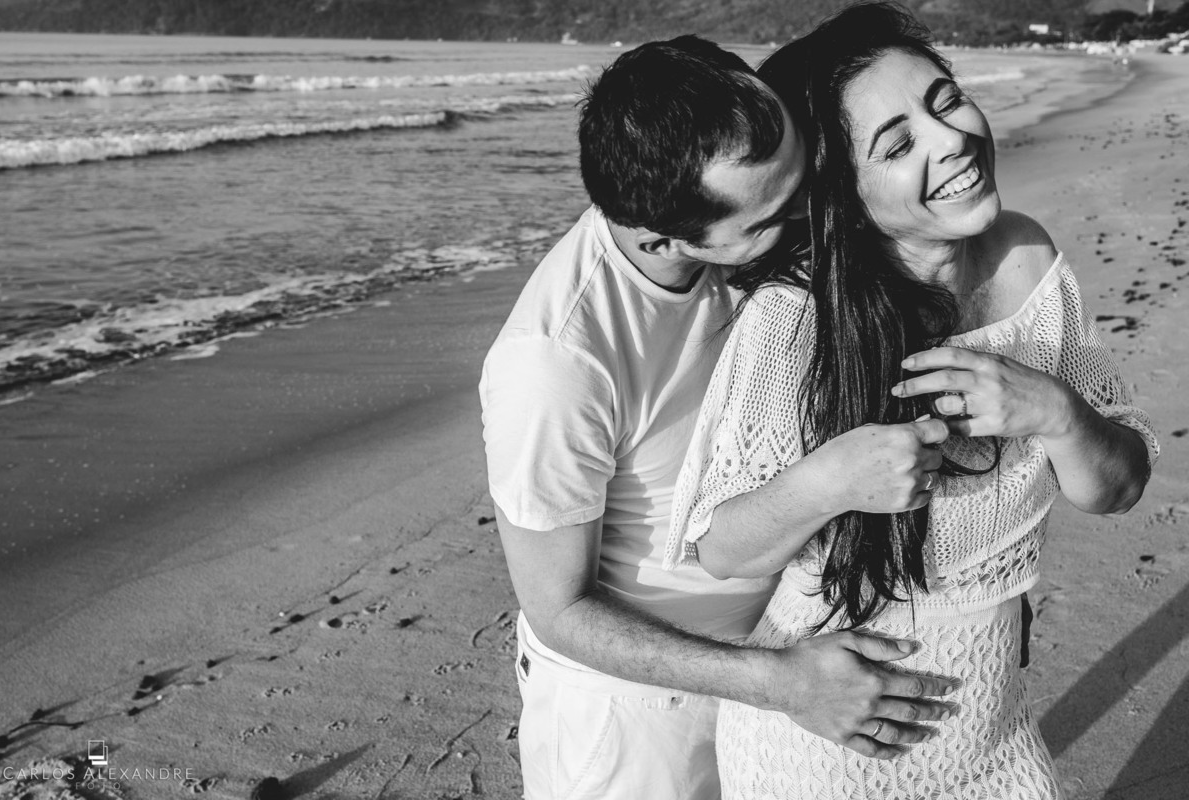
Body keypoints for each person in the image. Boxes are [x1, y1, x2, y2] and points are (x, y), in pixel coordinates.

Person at [666, 3, 1159, 797]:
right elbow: (721, 551)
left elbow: (1121, 486)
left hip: (996, 738)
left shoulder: (1028, 259)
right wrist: (831, 481)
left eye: (946, 101)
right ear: (846, 192)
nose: (952, 139)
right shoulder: (796, 319)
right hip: (825, 751)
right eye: (897, 145)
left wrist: (1056, 412)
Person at [480, 34, 962, 800]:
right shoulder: (556, 361)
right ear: (662, 238)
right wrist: (780, 682)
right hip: (639, 720)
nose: (809, 212)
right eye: (773, 214)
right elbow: (559, 609)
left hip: (782, 651)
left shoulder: (728, 230)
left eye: (804, 177)